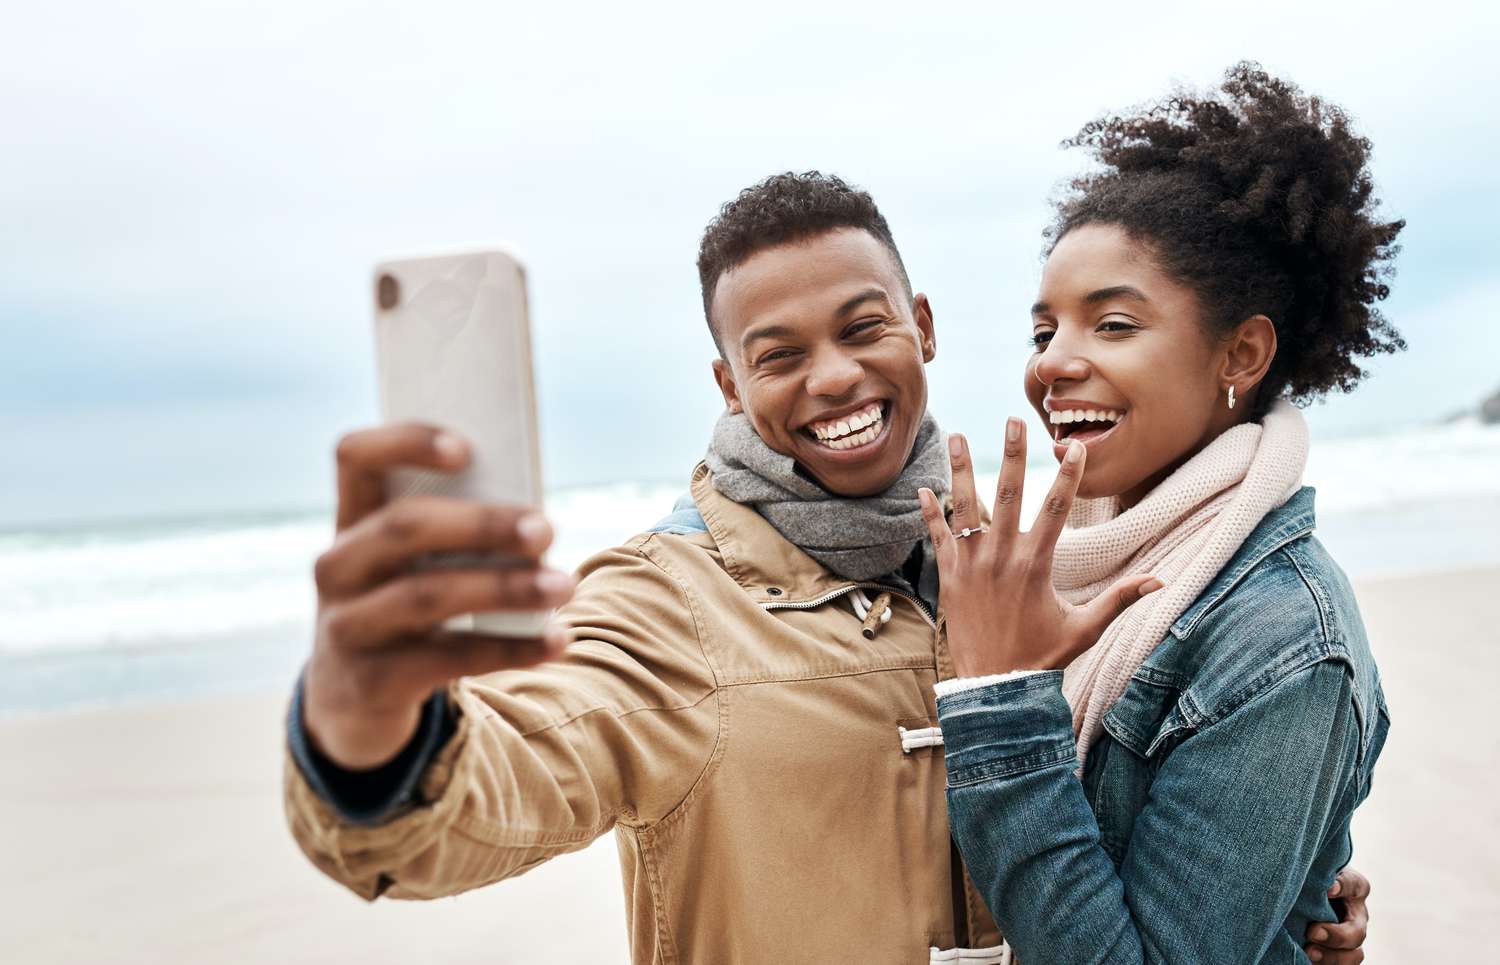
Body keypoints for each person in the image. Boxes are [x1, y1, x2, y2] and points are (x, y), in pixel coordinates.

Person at [285, 171, 1371, 963]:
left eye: (864, 327)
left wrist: (1280, 909)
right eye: (779, 354)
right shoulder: (667, 602)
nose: (837, 378)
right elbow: (484, 790)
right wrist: (363, 726)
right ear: (727, 382)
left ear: (924, 328)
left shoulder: (1020, 556)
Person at [921, 64, 1394, 964]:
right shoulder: (1051, 559)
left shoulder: (1285, 638)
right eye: (1043, 329)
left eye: (1113, 325)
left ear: (1242, 352)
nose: (1053, 363)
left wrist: (999, 698)